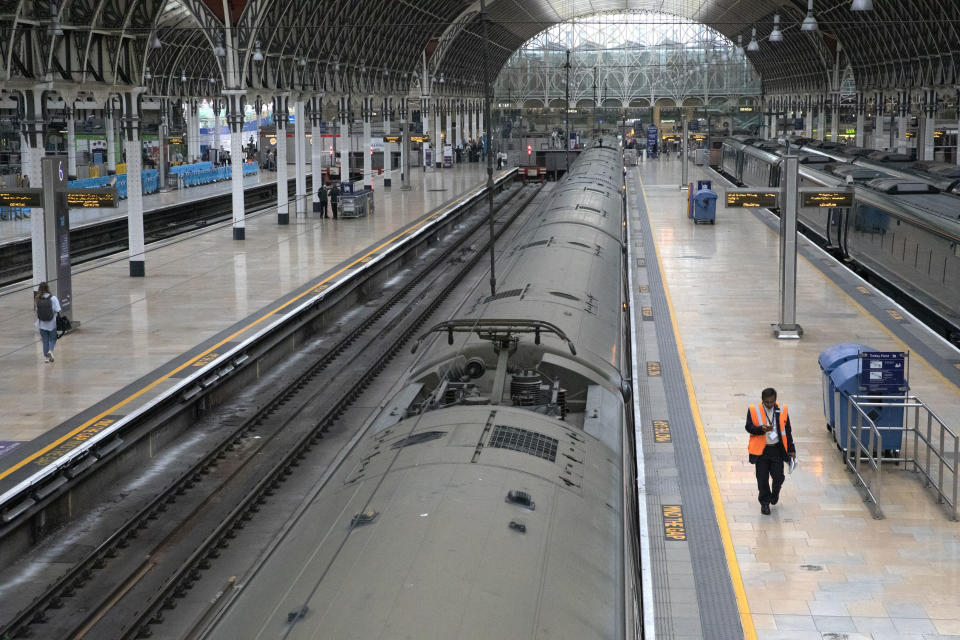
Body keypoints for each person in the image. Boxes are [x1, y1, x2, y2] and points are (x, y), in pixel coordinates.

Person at [745, 387, 796, 515]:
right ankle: (765, 503)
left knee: (778, 477)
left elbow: (787, 431)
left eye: (771, 402)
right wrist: (760, 429)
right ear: (762, 400)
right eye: (766, 402)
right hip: (761, 451)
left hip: (777, 450)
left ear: (775, 400)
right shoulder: (753, 410)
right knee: (762, 478)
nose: (769, 404)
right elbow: (749, 427)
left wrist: (791, 449)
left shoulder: (782, 410)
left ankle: (775, 493)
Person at [34, 282, 61, 364]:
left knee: (45, 340)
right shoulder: (53, 298)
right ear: (48, 288)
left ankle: (46, 358)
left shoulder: (38, 299)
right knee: (53, 339)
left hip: (41, 324)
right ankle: (50, 351)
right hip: (52, 323)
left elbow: (37, 311)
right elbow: (58, 310)